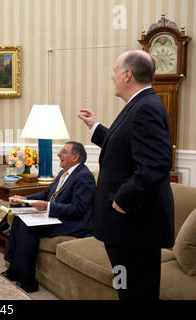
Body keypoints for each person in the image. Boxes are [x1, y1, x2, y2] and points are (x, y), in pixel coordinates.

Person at [78, 50, 174, 300]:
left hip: (135, 226)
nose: (112, 76)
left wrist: (123, 200)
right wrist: (96, 127)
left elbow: (156, 164)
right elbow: (125, 146)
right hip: (127, 229)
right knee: (126, 289)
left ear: (128, 75)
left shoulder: (147, 107)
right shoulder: (139, 104)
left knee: (136, 292)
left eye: (114, 70)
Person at [3, 141, 95, 292]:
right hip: (57, 215)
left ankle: (29, 280)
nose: (59, 154)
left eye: (64, 152)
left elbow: (77, 210)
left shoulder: (84, 177)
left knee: (29, 227)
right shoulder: (63, 173)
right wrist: (25, 200)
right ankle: (14, 269)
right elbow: (47, 194)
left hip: (75, 222)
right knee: (19, 217)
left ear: (75, 157)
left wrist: (48, 207)